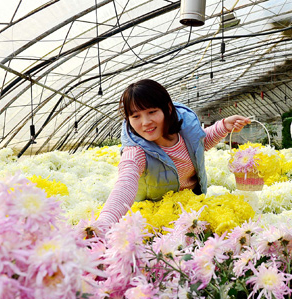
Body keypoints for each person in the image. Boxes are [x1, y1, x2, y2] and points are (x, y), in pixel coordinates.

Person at [95, 79, 251, 231]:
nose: (145, 122)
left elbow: (199, 144)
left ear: (167, 109)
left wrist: (223, 126)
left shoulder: (185, 131)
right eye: (136, 116)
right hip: (157, 217)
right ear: (128, 119)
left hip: (192, 208)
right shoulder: (136, 151)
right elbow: (126, 182)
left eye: (152, 112)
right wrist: (104, 223)